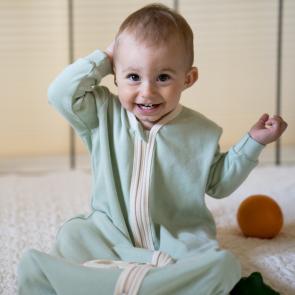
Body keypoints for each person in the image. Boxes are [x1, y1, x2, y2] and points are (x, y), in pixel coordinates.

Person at [18, 3, 287, 295]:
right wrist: (105, 56)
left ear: (188, 78)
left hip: (178, 245)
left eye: (163, 77)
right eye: (133, 76)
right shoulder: (102, 115)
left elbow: (219, 184)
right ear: (115, 75)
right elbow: (59, 93)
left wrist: (253, 142)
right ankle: (153, 284)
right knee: (73, 235)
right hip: (112, 236)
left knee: (225, 266)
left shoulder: (202, 132)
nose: (147, 91)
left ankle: (106, 284)